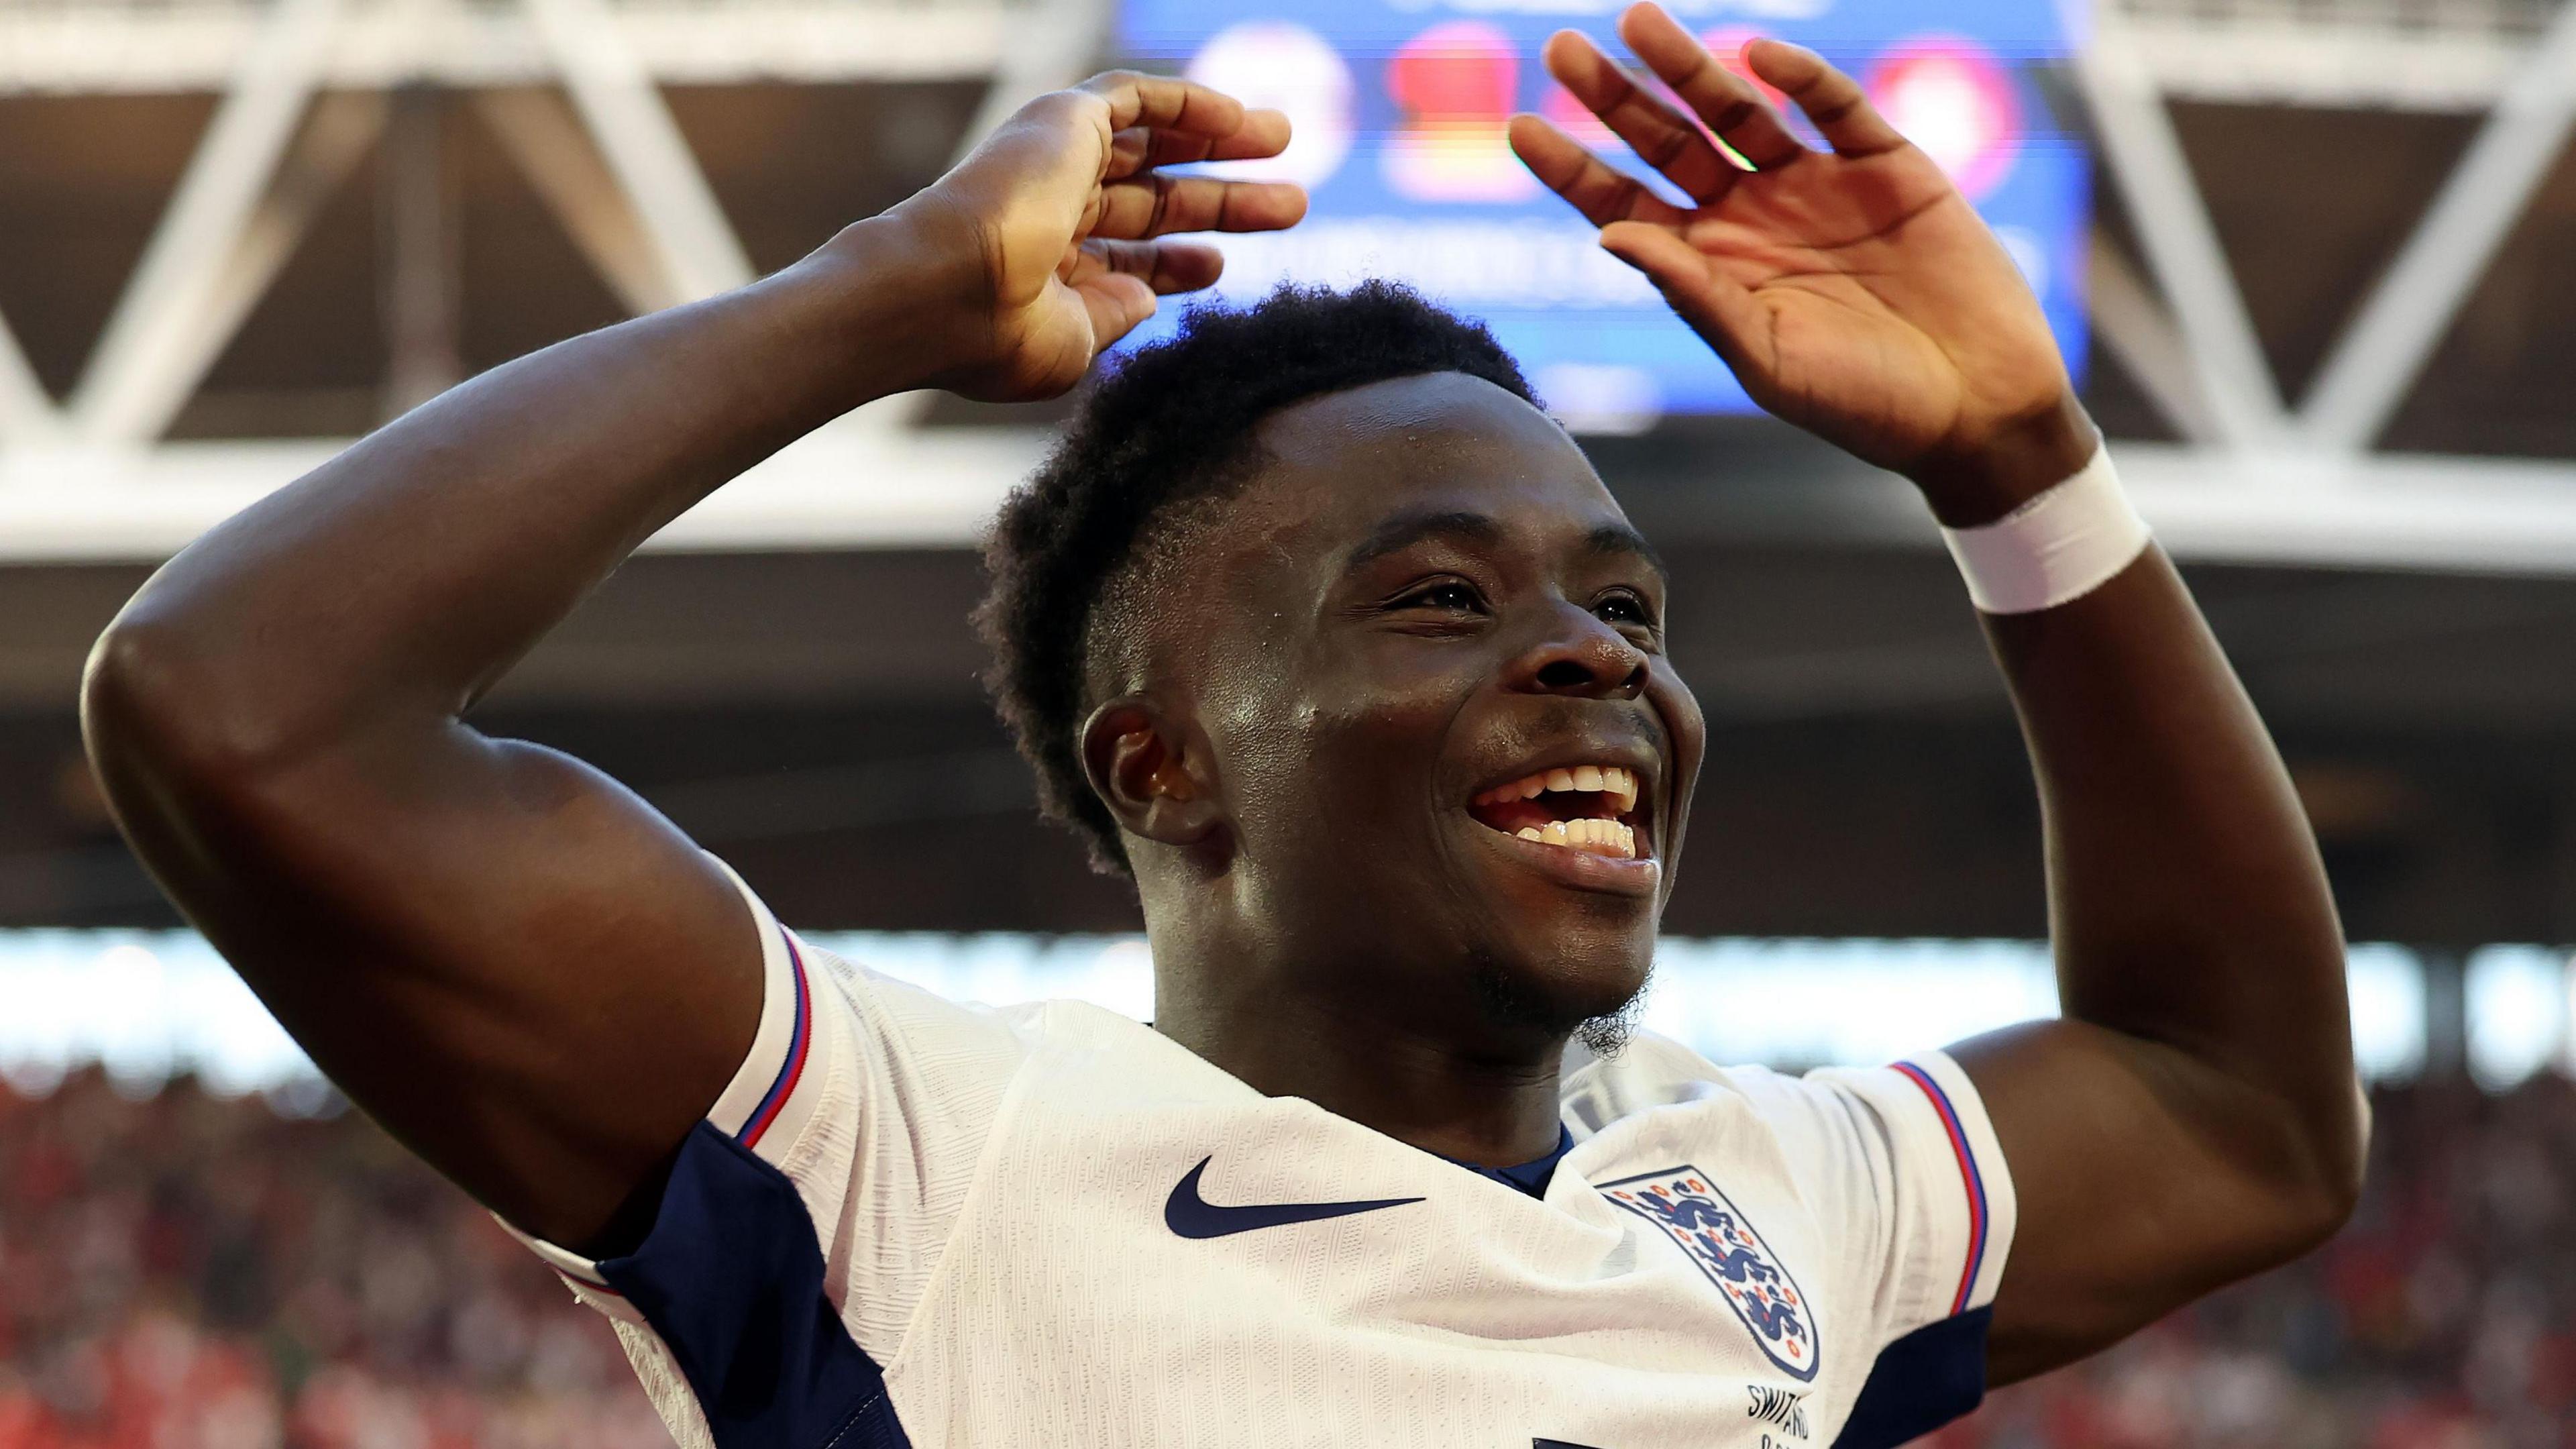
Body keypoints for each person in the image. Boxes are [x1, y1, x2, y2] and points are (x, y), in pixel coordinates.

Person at [79, 5, 2365, 1446]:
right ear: (1155, 760)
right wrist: (868, 298)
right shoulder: (912, 1163)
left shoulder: (1776, 1196)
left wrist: (2020, 466)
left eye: (1627, 606)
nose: (1601, 662)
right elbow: (244, 710)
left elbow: (2242, 1106)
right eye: (1443, 598)